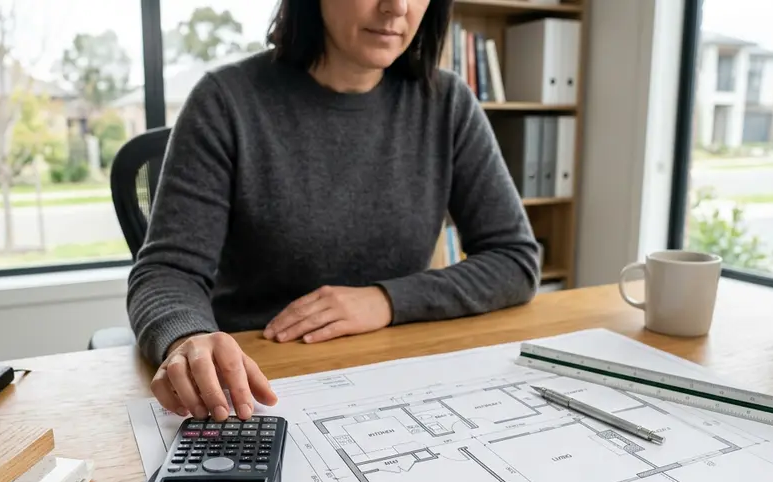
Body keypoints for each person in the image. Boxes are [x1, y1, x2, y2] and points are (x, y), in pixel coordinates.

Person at [127, 0, 541, 422]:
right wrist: (188, 338)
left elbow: (514, 260)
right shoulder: (225, 101)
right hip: (254, 387)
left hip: (395, 377)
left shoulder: (447, 102)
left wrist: (386, 300)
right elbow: (167, 272)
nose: (396, 7)